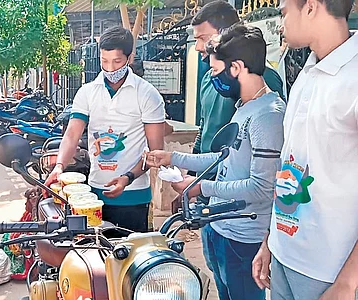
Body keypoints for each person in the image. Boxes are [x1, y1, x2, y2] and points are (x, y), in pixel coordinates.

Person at [146, 24, 286, 300]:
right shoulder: (245, 106)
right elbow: (225, 159)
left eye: (215, 69)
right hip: (219, 227)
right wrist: (173, 157)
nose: (212, 76)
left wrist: (201, 189)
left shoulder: (268, 116)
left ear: (236, 67)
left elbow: (261, 187)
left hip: (244, 238)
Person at [252, 1, 358, 300]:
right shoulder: (308, 70)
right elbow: (290, 166)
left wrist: (348, 283)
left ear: (310, 7)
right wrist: (271, 241)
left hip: (330, 271)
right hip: (286, 256)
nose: (279, 23)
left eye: (284, 12)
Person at [45, 26, 166, 232]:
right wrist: (60, 165)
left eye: (117, 61)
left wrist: (128, 178)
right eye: (104, 61)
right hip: (92, 197)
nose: (110, 68)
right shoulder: (87, 92)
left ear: (129, 57)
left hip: (133, 196)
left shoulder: (147, 94)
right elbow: (72, 134)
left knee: (130, 258)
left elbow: (155, 154)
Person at [190, 0, 284, 157]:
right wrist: (193, 164)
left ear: (224, 33)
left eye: (202, 38)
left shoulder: (262, 78)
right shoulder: (208, 78)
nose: (198, 47)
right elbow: (204, 126)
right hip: (207, 170)